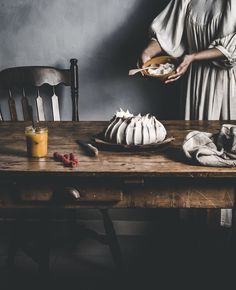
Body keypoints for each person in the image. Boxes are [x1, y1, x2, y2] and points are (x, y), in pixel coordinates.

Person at [140, 0, 236, 227]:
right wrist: (147, 53)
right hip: (195, 84)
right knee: (194, 153)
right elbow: (166, 35)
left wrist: (193, 57)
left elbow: (232, 47)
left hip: (227, 84)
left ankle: (226, 233)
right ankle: (196, 230)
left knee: (227, 154)